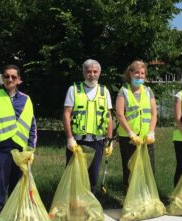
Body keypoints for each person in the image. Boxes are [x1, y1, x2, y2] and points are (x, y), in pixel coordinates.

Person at [0, 64, 37, 221]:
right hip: (0, 148)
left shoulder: (26, 99)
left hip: (20, 150)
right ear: (2, 78)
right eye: (6, 76)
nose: (10, 79)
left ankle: (13, 216)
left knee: (17, 184)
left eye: (13, 77)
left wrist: (31, 150)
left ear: (19, 79)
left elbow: (32, 127)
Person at [63, 59, 113, 194]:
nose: (92, 74)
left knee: (93, 176)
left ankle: (90, 207)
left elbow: (108, 116)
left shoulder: (104, 91)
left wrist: (109, 141)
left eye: (95, 71)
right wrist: (70, 138)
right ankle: (73, 206)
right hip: (77, 141)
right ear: (84, 73)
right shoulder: (73, 89)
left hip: (97, 141)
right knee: (74, 176)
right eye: (89, 71)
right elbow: (67, 114)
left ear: (99, 73)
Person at [115, 60, 157, 191]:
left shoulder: (148, 91)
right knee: (130, 169)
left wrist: (151, 131)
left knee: (148, 170)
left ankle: (147, 198)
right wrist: (130, 133)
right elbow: (120, 114)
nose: (140, 76)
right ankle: (131, 199)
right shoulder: (124, 91)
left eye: (142, 73)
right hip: (129, 139)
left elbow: (154, 113)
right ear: (130, 73)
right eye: (137, 73)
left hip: (146, 138)